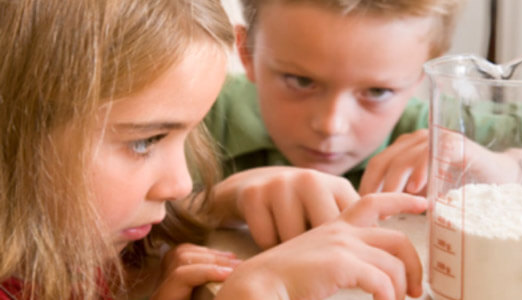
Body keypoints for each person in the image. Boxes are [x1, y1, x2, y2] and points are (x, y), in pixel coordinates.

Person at [0, 1, 427, 299]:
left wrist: (220, 200)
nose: (180, 182)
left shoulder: (76, 255)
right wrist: (258, 291)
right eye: (144, 141)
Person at [200, 0, 522, 249]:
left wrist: (507, 167)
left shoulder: (443, 131)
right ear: (246, 53)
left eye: (377, 92)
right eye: (300, 81)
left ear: (423, 73)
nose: (332, 125)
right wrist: (216, 204)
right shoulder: (195, 113)